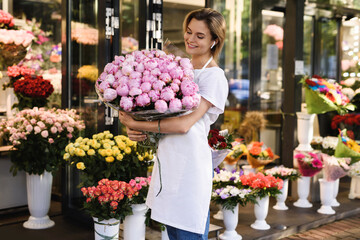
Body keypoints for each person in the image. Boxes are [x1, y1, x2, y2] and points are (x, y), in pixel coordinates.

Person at [118, 8, 228, 240]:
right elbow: (162, 120)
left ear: (214, 40)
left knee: (188, 232)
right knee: (172, 234)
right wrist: (136, 126)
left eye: (200, 36)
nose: (190, 39)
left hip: (191, 167)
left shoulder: (214, 76)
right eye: (189, 32)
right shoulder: (178, 69)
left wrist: (137, 123)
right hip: (168, 162)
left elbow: (183, 125)